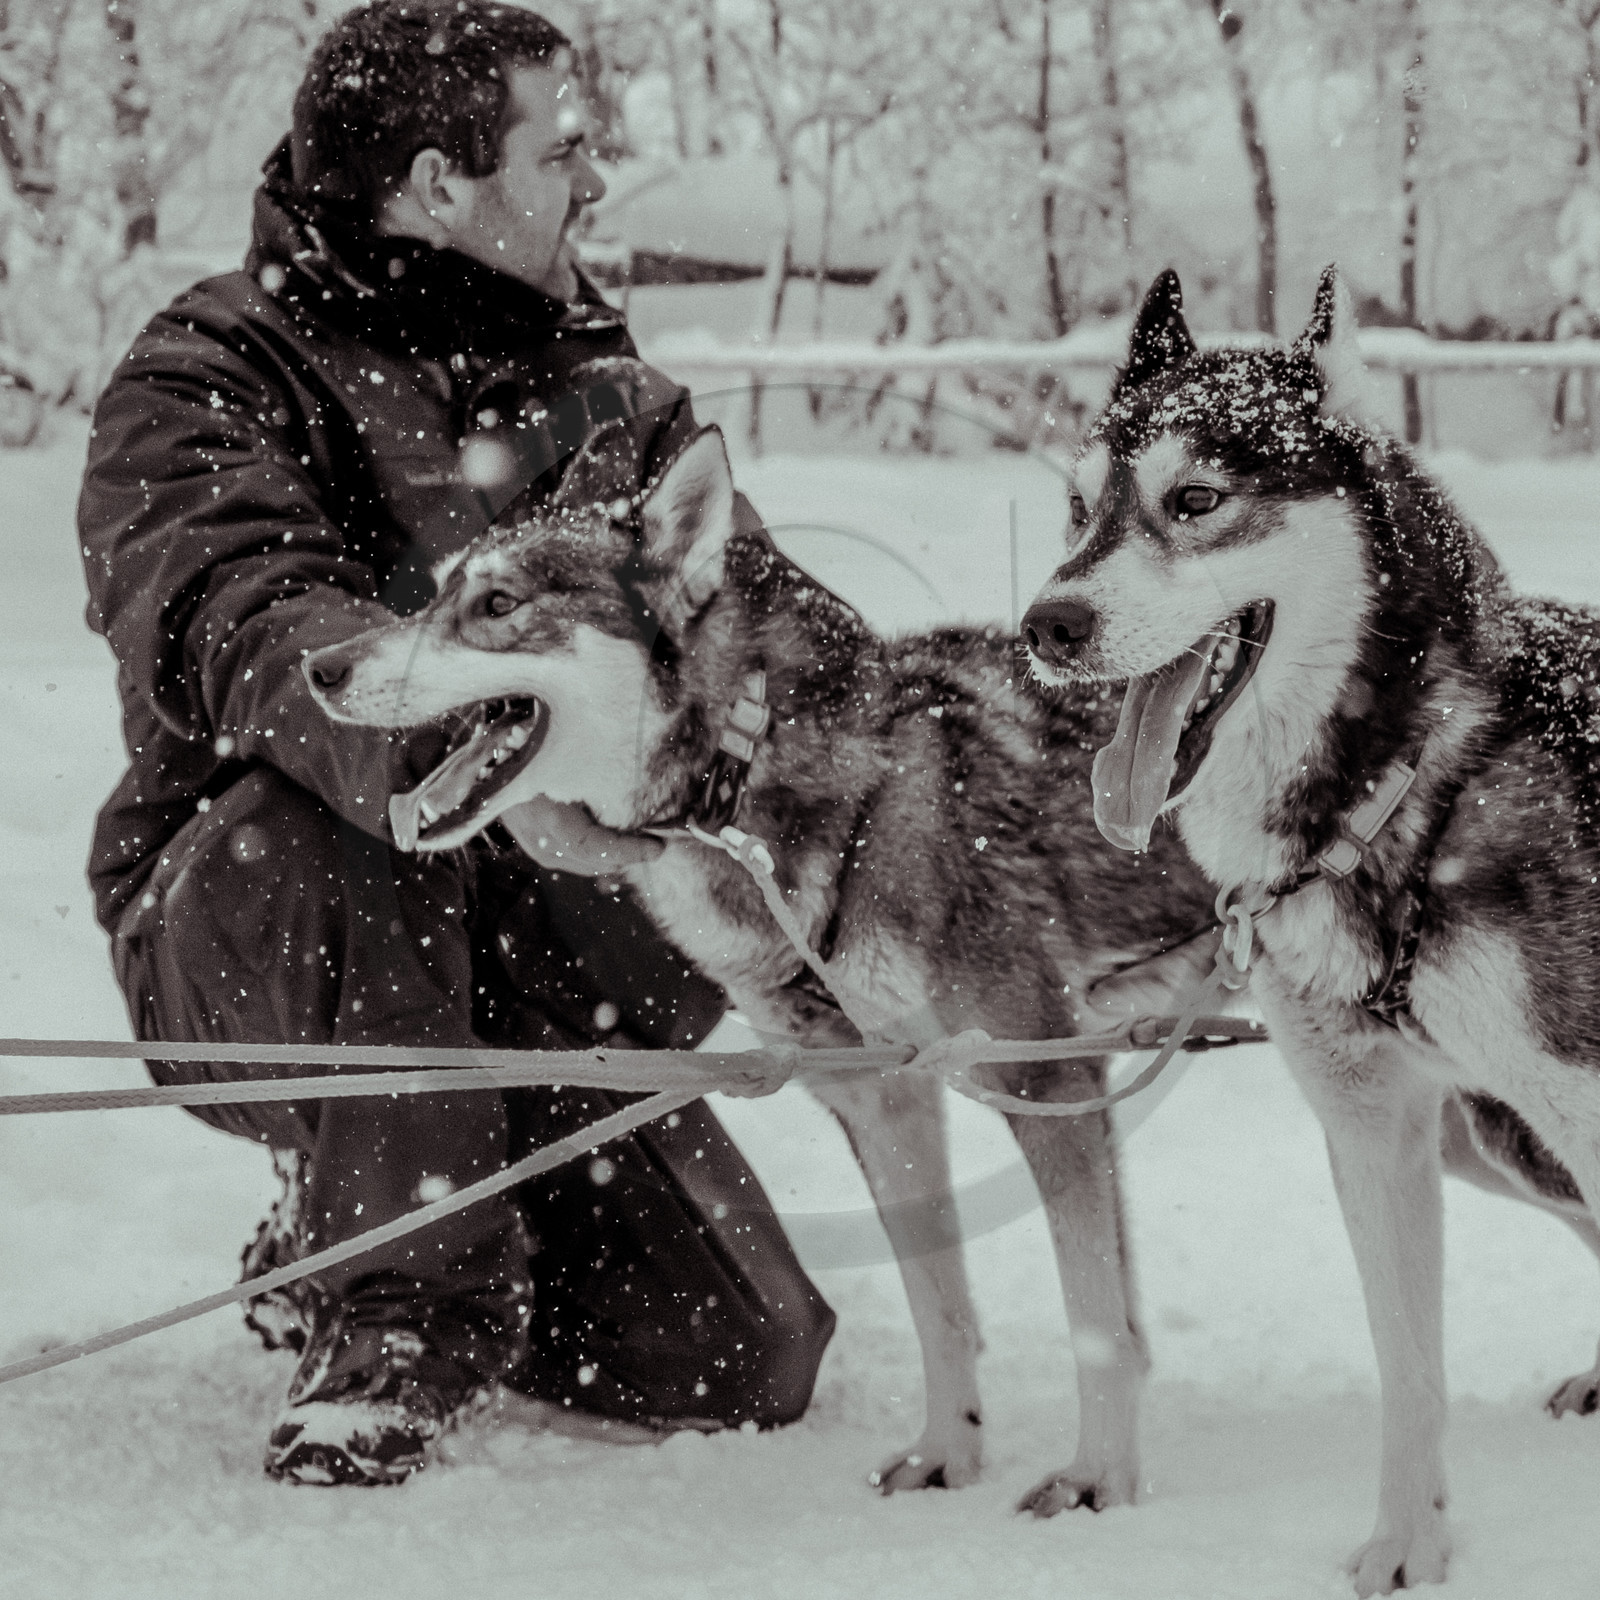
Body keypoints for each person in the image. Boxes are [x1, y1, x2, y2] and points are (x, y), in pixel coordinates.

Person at [77, 0, 834, 1487]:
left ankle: (403, 1198)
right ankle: (400, 1305)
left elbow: (777, 647)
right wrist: (488, 735)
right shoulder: (207, 372)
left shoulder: (612, 398)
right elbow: (244, 611)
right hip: (259, 923)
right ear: (438, 183)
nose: (595, 179)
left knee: (742, 1351)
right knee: (378, 801)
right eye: (564, 147)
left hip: (540, 951)